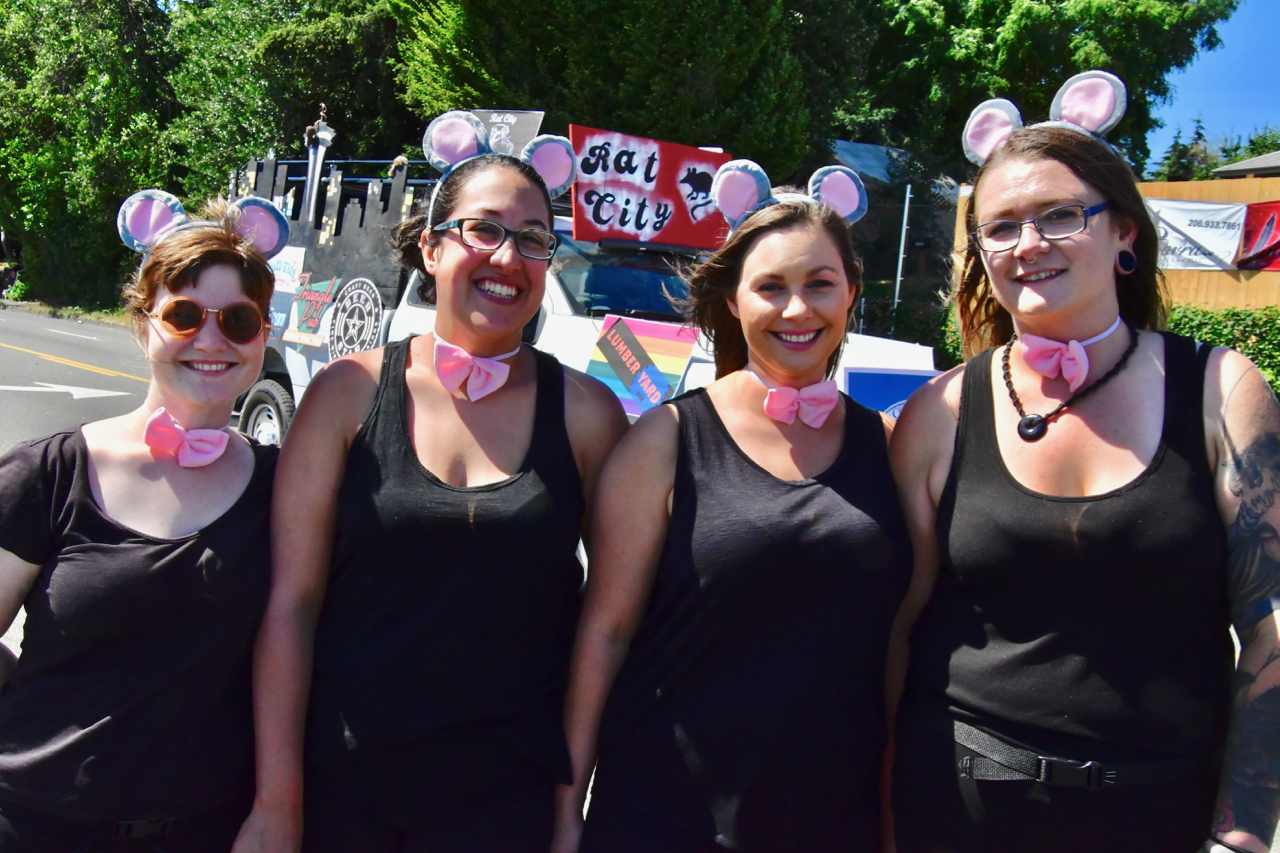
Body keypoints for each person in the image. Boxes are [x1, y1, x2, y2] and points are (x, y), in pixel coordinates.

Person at [887, 70, 1280, 853]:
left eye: (1060, 215)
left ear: (1124, 232)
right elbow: (897, 627)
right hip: (953, 807)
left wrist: (1244, 829)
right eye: (999, 228)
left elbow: (1272, 625)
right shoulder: (938, 412)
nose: (1026, 245)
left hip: (1161, 816)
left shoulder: (1221, 389)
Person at [231, 113, 627, 853]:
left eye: (535, 239)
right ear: (431, 245)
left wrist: (569, 808)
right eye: (484, 230)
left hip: (505, 802)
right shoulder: (347, 394)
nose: (508, 257)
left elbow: (605, 629)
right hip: (341, 790)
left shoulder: (590, 415)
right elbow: (291, 605)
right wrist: (276, 801)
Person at [552, 161, 911, 853]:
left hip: (833, 822)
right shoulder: (664, 438)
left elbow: (901, 643)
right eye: (770, 286)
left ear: (852, 294)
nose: (797, 309)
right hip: (665, 817)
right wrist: (568, 810)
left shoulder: (891, 446)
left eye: (820, 284)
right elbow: (605, 633)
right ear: (735, 300)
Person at [0, 191, 286, 851]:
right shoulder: (52, 472)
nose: (211, 341)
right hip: (33, 826)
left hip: (206, 833)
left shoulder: (285, 487)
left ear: (263, 338)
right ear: (142, 321)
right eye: (184, 315)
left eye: (239, 322)